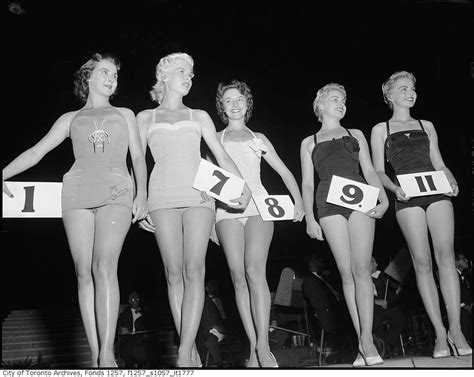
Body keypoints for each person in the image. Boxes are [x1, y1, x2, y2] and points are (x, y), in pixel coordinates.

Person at [2, 53, 148, 367]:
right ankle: (96, 354)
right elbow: (36, 151)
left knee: (104, 265)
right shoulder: (70, 119)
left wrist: (143, 193)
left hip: (117, 190)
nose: (112, 78)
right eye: (105, 72)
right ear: (88, 77)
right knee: (84, 273)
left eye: (115, 74)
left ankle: (108, 354)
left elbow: (138, 157)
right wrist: (2, 173)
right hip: (77, 192)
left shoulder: (125, 113)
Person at [136, 53, 251, 368]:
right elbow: (137, 163)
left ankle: (185, 349)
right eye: (182, 71)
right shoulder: (145, 117)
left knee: (194, 270)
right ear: (165, 76)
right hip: (161, 197)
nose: (189, 77)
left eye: (191, 73)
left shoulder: (199, 116)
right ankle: (191, 349)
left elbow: (222, 155)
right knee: (173, 273)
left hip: (200, 195)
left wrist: (241, 186)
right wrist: (140, 198)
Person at [370, 71, 471, 358]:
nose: (410, 92)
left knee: (446, 257)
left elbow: (439, 161)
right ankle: (439, 333)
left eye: (412, 88)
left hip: (436, 191)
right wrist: (393, 188)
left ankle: (456, 329)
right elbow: (378, 170)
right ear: (389, 95)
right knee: (422, 262)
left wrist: (451, 180)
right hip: (407, 195)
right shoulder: (381, 129)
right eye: (402, 88)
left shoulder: (427, 124)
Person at [214, 80, 305, 367]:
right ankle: (253, 347)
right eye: (228, 100)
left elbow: (285, 171)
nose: (235, 104)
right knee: (238, 275)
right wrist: (206, 227)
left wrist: (299, 202)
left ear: (247, 103)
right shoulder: (213, 138)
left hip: (259, 207)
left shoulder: (259, 138)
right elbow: (206, 185)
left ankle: (264, 346)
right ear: (222, 107)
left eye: (239, 98)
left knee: (255, 270)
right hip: (226, 211)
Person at [300, 83, 389, 366]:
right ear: (320, 105)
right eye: (335, 99)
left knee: (362, 268)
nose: (341, 103)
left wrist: (383, 200)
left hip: (360, 200)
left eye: (344, 100)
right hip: (328, 204)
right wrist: (310, 217)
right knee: (346, 271)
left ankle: (366, 339)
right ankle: (363, 341)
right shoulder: (309, 141)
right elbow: (306, 182)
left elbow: (370, 171)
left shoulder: (356, 134)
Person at [302, 254, 352, 357]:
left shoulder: (322, 279)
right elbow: (316, 302)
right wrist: (332, 307)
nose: (323, 265)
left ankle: (345, 353)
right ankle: (338, 354)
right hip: (326, 315)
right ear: (313, 264)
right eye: (320, 262)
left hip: (334, 311)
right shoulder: (309, 280)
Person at [370, 257, 408, 357]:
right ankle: (378, 347)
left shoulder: (382, 277)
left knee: (400, 318)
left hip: (385, 309)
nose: (376, 265)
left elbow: (392, 295)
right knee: (375, 319)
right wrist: (375, 301)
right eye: (373, 262)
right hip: (372, 310)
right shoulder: (360, 278)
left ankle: (383, 344)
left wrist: (398, 290)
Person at [117, 291, 152, 368]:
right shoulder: (124, 314)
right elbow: (118, 328)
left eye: (136, 299)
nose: (135, 301)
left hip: (142, 340)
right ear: (129, 302)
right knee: (128, 349)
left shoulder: (146, 312)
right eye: (132, 300)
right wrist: (121, 330)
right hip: (128, 339)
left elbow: (151, 326)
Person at [454, 253, 472, 343]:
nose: (466, 260)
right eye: (463, 259)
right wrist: (464, 305)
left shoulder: (464, 275)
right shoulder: (453, 276)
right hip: (458, 307)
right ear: (455, 262)